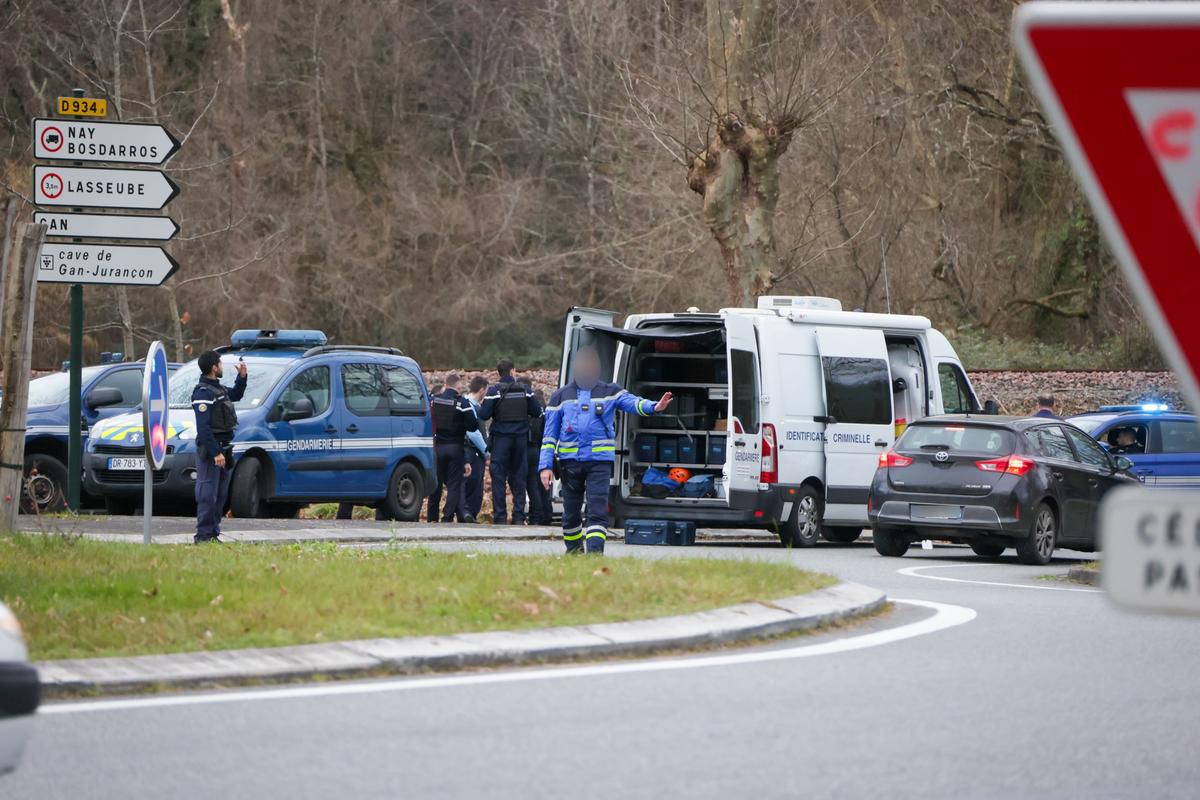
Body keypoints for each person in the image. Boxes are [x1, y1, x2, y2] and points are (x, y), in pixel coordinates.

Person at [539, 346, 673, 554]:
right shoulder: (560, 397)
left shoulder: (610, 391)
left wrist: (654, 407)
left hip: (599, 464)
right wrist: (545, 466)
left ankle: (594, 554)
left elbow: (633, 403)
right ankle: (573, 551)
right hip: (569, 465)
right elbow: (549, 437)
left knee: (597, 510)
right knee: (571, 514)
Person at [192, 350, 247, 543]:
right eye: (220, 364)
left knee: (221, 495)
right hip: (211, 452)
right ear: (214, 367)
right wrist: (216, 453)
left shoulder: (219, 389)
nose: (222, 366)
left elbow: (237, 394)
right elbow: (203, 428)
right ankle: (203, 536)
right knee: (207, 494)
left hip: (225, 449)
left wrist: (242, 377)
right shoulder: (203, 392)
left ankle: (213, 533)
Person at [479, 358, 541, 525]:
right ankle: (518, 516)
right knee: (520, 477)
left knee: (498, 478)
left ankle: (500, 517)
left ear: (499, 373)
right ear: (513, 371)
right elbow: (537, 411)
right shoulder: (525, 390)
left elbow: (484, 415)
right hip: (520, 441)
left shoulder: (494, 391)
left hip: (500, 441)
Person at [427, 373, 478, 523]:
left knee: (435, 484)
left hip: (437, 448)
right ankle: (447, 517)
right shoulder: (462, 403)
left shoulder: (434, 401)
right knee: (454, 485)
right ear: (458, 386)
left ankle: (432, 518)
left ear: (445, 384)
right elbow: (473, 426)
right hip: (455, 448)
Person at [461, 375, 490, 522]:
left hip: (472, 451)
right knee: (472, 482)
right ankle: (467, 512)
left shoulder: (472, 406)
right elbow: (473, 433)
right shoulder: (469, 406)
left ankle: (470, 514)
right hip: (472, 450)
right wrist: (486, 451)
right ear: (482, 390)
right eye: (486, 391)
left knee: (474, 483)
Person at [525, 386, 553, 525]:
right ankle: (547, 515)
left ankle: (536, 516)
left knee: (533, 484)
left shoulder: (530, 412)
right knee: (545, 487)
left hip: (531, 448)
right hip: (544, 451)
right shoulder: (546, 411)